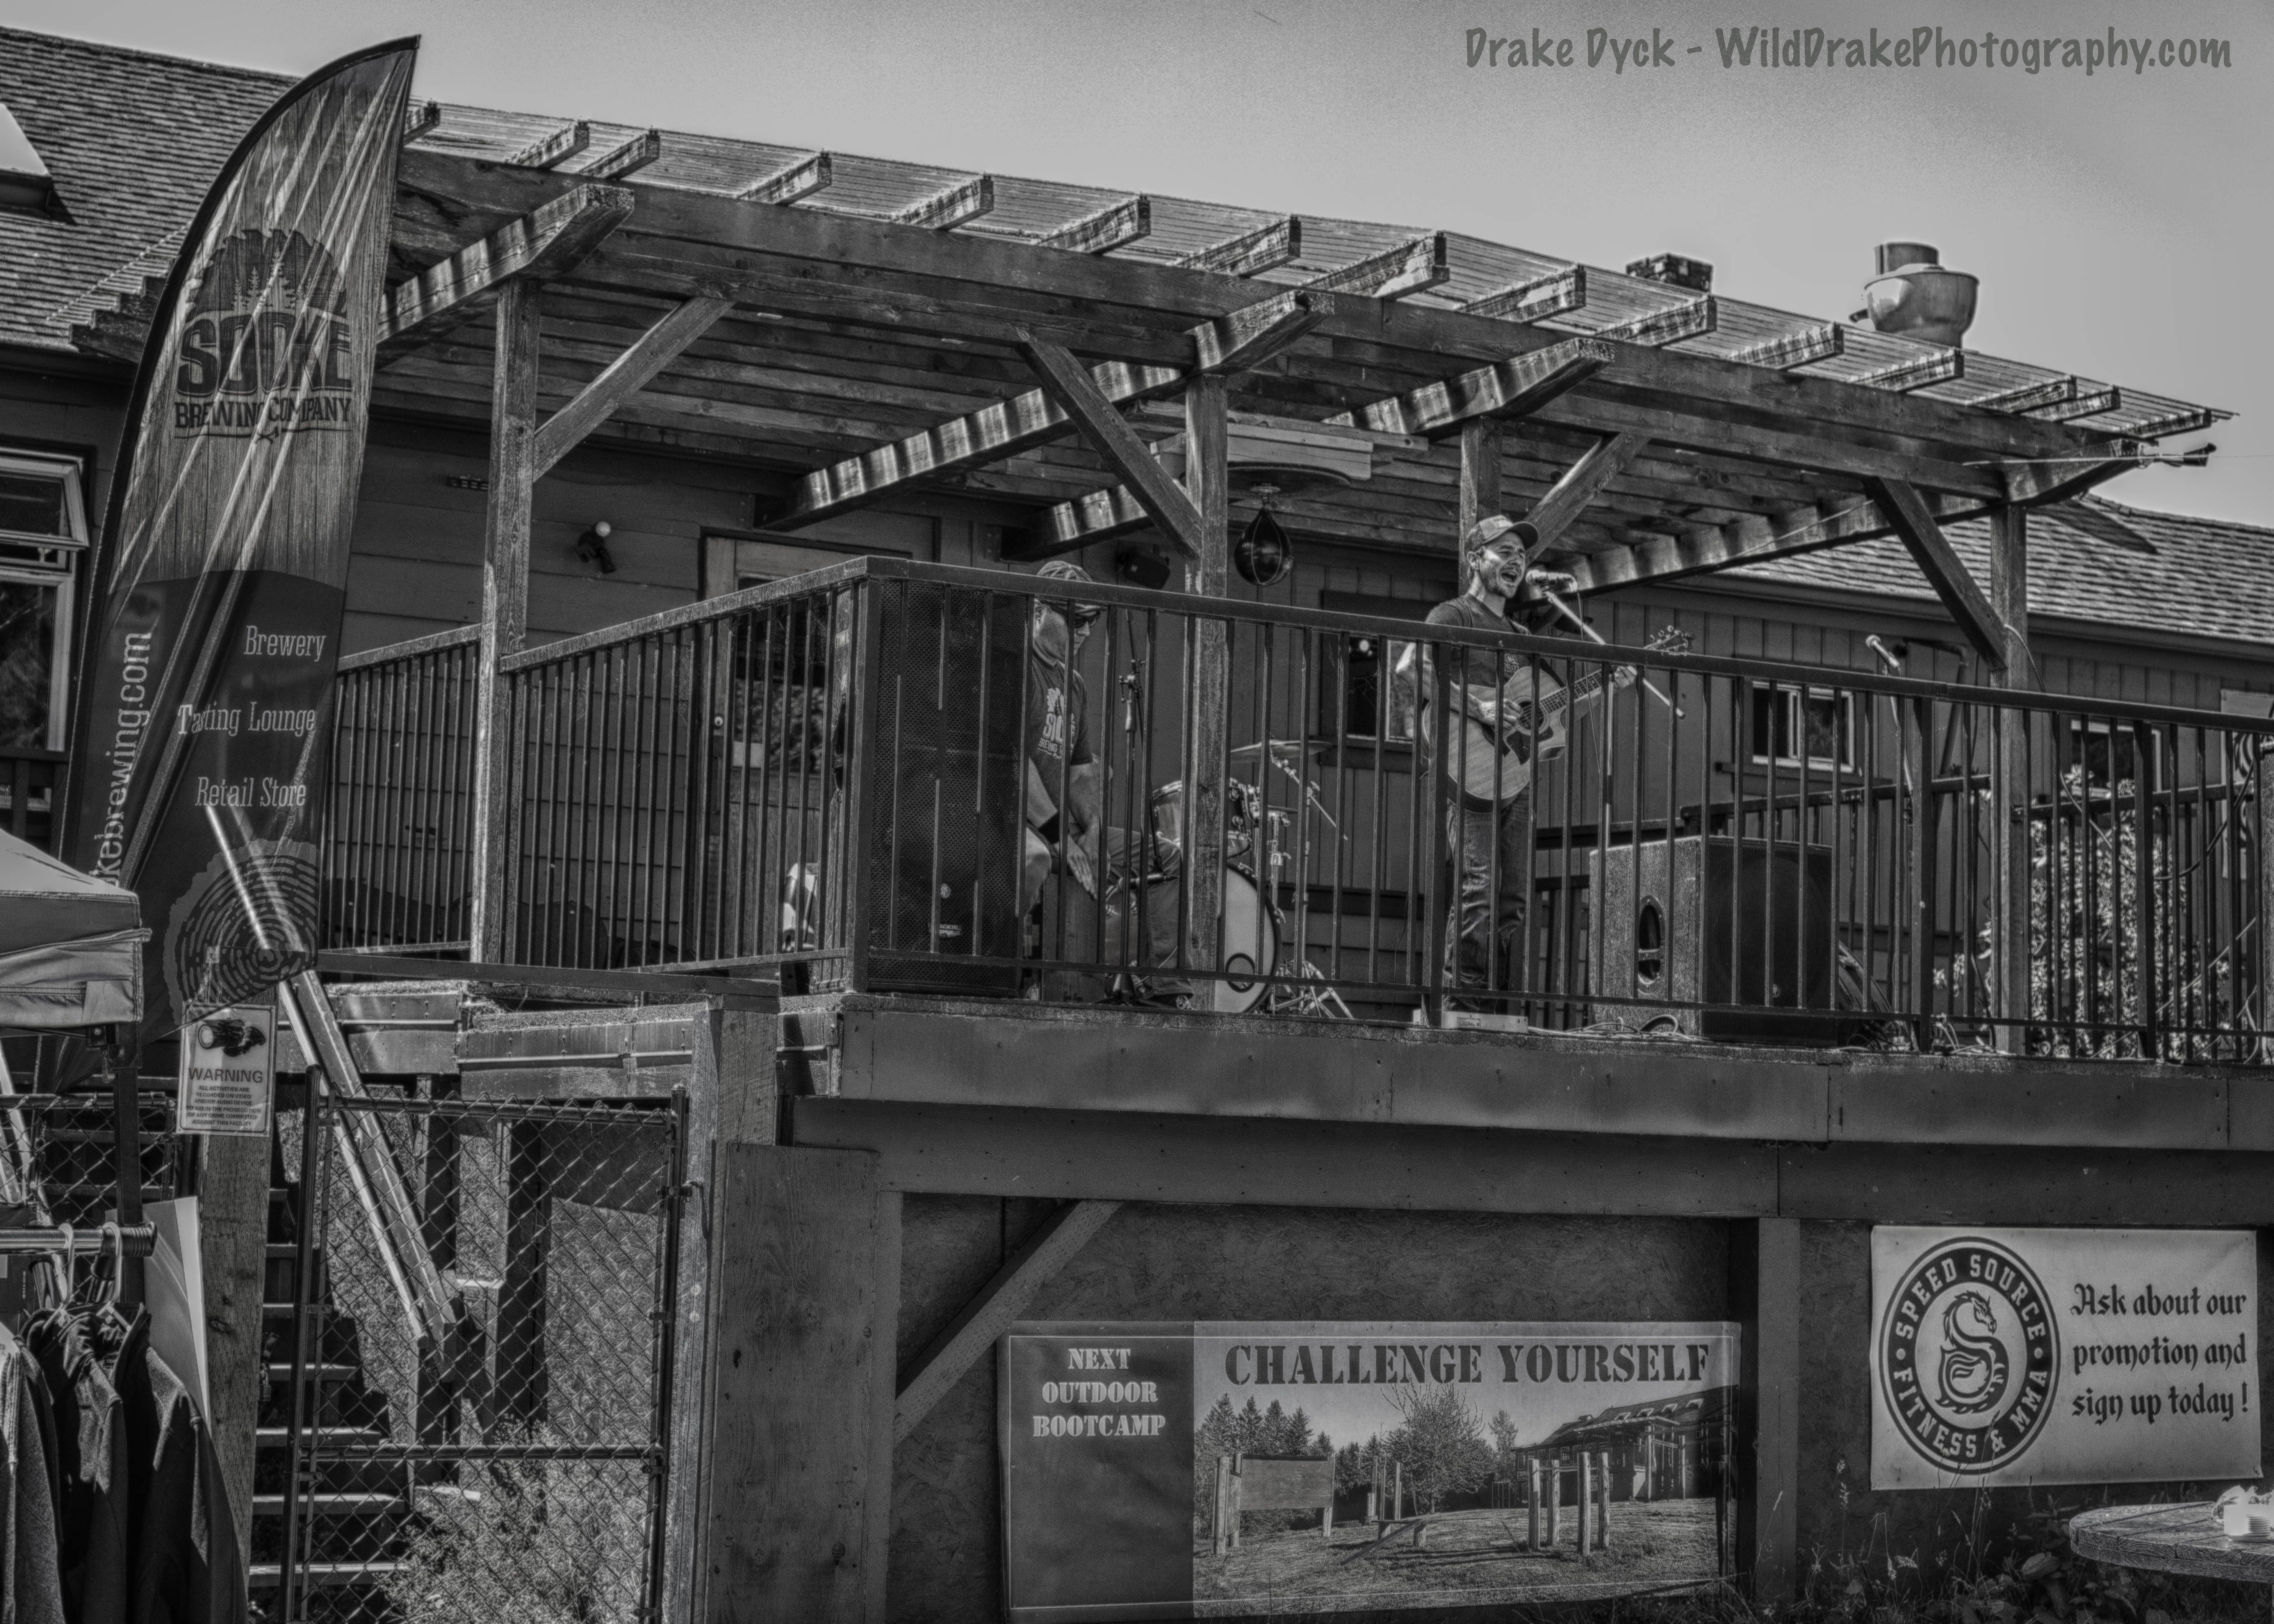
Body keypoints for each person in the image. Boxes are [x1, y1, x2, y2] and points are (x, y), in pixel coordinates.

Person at [1399, 515, 1632, 1009]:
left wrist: (1607, 685)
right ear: (1475, 559)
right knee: (1478, 890)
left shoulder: (1519, 633)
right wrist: (1480, 708)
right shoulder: (1454, 615)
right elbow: (1411, 669)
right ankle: (1460, 1005)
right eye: (1503, 551)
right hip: (1469, 770)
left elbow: (1553, 714)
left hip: (1515, 779)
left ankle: (1490, 1002)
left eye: (1521, 555)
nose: (1516, 560)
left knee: (1512, 902)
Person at [1022, 559, 1103, 936]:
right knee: (1034, 858)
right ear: (1039, 612)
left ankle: (1165, 975)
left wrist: (1094, 828)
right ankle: (1002, 956)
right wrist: (1061, 839)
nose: (1086, 630)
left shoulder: (1075, 685)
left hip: (1059, 828)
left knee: (1165, 857)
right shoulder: (1016, 666)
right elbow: (1016, 763)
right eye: (1076, 619)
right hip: (1018, 821)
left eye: (1093, 619)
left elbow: (1081, 773)